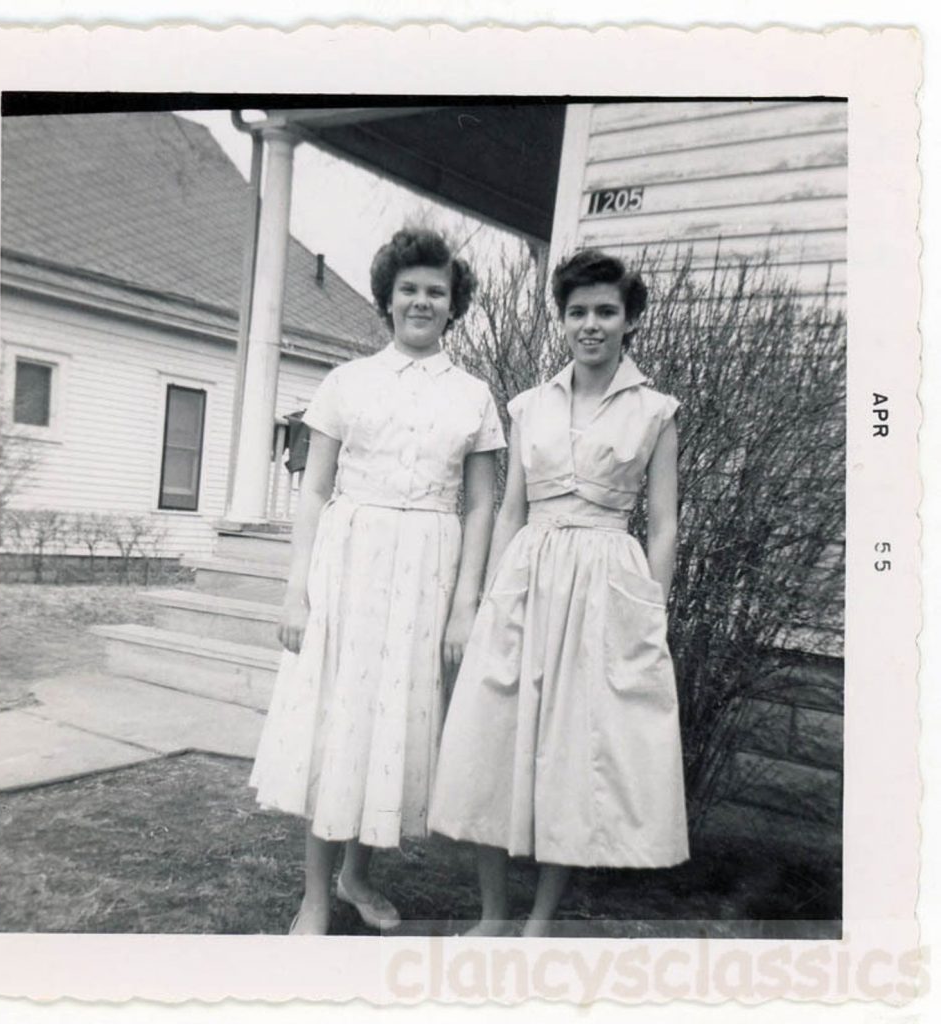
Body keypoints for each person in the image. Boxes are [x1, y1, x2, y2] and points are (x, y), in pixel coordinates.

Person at [249, 227, 505, 935]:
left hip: (428, 569)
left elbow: (481, 504)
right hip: (352, 563)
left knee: (387, 719)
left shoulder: (474, 396)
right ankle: (314, 896)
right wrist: (297, 586)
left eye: (437, 292)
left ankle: (358, 875)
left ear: (454, 306)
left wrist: (466, 604)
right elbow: (312, 489)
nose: (422, 302)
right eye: (410, 290)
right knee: (341, 718)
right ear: (388, 300)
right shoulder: (346, 382)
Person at [429, 248, 689, 937]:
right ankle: (492, 915)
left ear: (630, 320)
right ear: (562, 320)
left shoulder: (656, 411)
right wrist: (485, 595)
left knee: (577, 749)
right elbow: (509, 508)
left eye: (606, 311)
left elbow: (663, 525)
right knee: (494, 736)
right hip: (527, 577)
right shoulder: (529, 406)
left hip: (606, 586)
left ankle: (540, 920)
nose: (591, 324)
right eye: (578, 312)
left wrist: (649, 613)